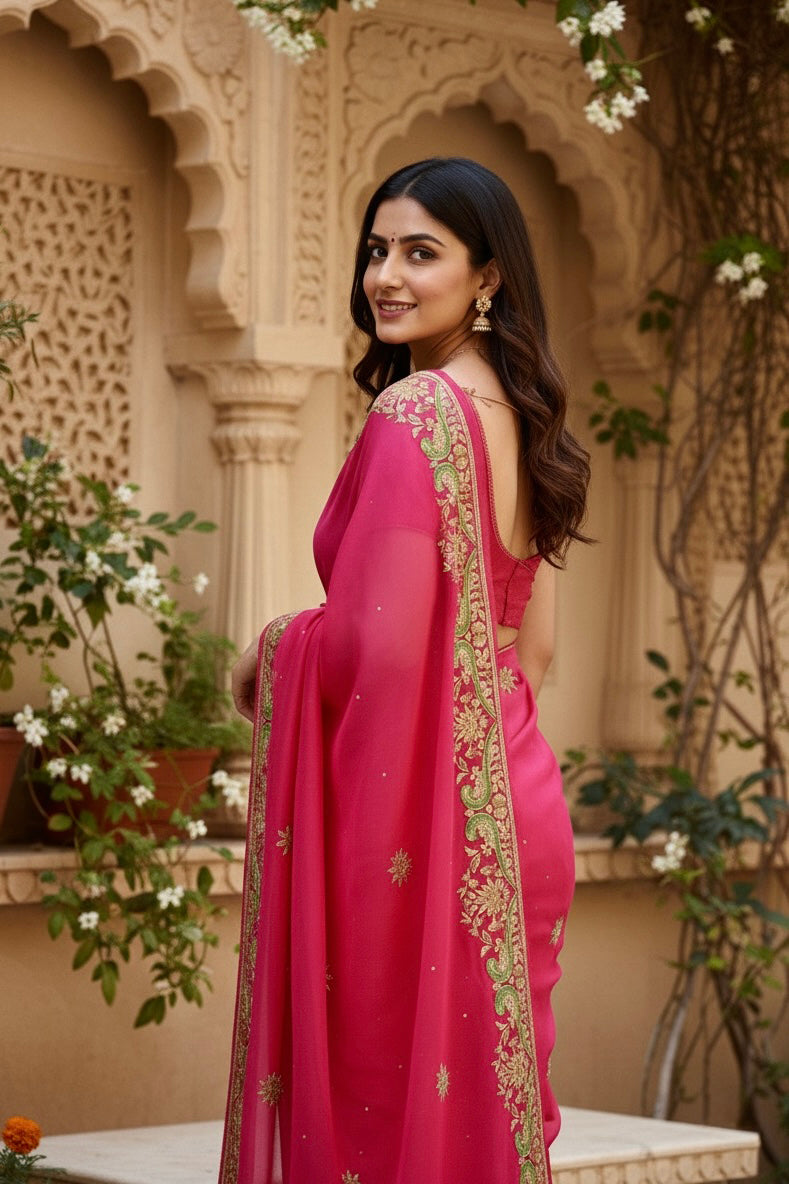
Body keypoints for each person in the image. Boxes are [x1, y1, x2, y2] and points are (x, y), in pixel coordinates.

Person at [219, 157, 591, 1184]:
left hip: (437, 826)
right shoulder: (532, 420)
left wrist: (273, 647)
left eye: (421, 252)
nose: (386, 274)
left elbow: (376, 652)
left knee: (390, 1133)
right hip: (519, 810)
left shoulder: (418, 414)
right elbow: (535, 652)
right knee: (478, 1135)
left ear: (489, 278)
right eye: (377, 250)